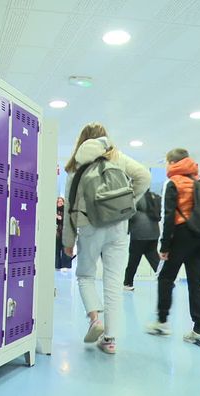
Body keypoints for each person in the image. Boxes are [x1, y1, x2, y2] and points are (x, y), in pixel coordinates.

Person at [62, 123, 150, 354]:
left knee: (85, 275)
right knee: (113, 282)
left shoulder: (75, 167)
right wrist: (127, 203)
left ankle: (95, 320)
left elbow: (70, 206)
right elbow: (144, 176)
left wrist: (67, 241)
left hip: (89, 226)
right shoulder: (117, 157)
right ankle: (110, 340)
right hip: (118, 226)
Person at [147, 148, 200, 348]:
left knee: (166, 278)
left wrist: (164, 246)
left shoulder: (173, 182)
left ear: (172, 162)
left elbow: (168, 217)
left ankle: (162, 322)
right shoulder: (199, 182)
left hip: (182, 236)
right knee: (198, 282)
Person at [123, 189, 162, 291]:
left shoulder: (137, 197)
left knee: (133, 260)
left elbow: (129, 213)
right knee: (153, 257)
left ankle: (128, 283)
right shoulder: (154, 196)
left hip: (139, 233)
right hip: (154, 232)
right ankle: (165, 280)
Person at [55, 197, 72, 270]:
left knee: (65, 249)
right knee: (57, 249)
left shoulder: (66, 210)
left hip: (65, 232)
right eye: (58, 201)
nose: (60, 202)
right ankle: (57, 265)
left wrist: (59, 217)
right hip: (57, 233)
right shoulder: (54, 210)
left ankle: (66, 266)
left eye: (61, 201)